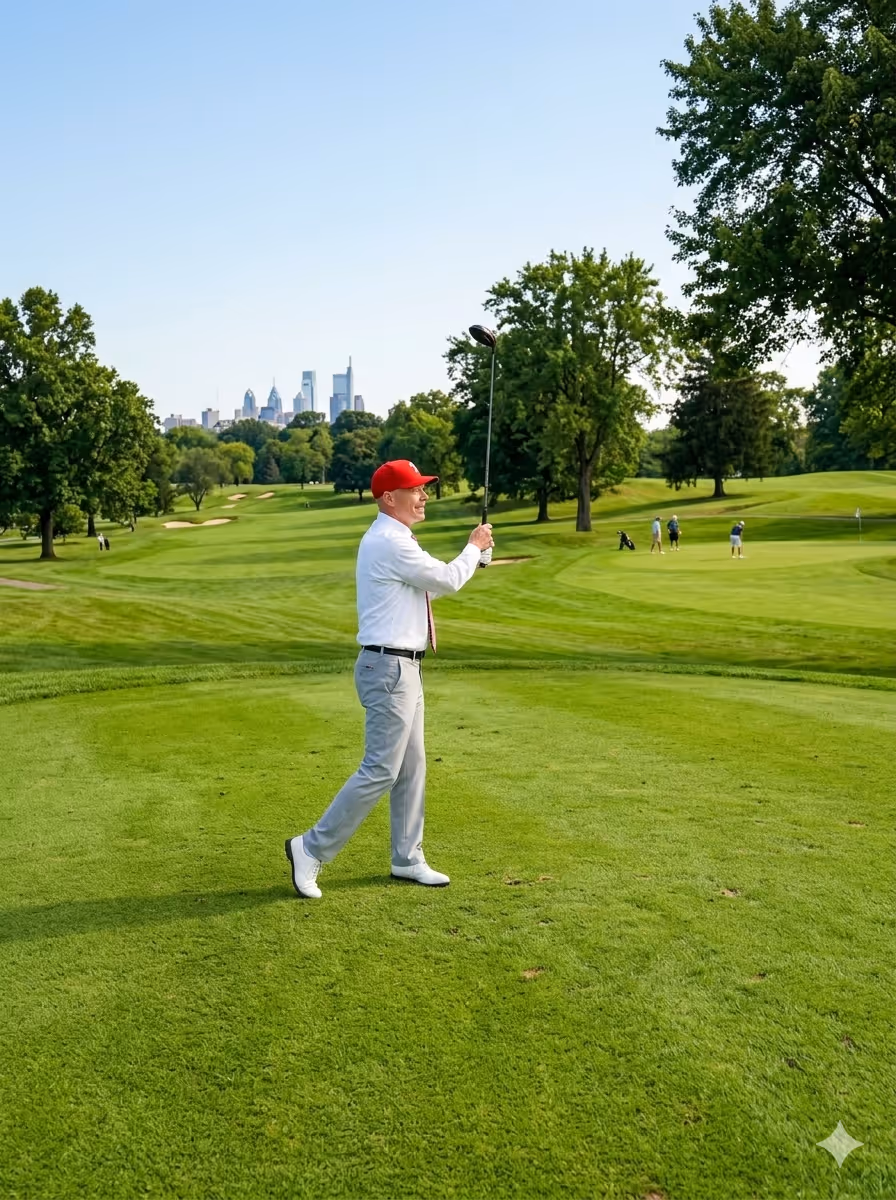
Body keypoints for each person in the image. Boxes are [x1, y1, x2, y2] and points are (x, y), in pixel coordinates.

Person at [285, 459, 495, 899]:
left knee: (412, 768)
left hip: (403, 667)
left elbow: (428, 586)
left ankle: (407, 857)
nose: (423, 496)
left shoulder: (394, 540)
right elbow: (444, 578)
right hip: (389, 669)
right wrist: (473, 548)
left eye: (423, 489)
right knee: (381, 769)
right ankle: (310, 848)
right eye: (415, 489)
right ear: (388, 498)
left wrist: (473, 560)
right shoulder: (389, 541)